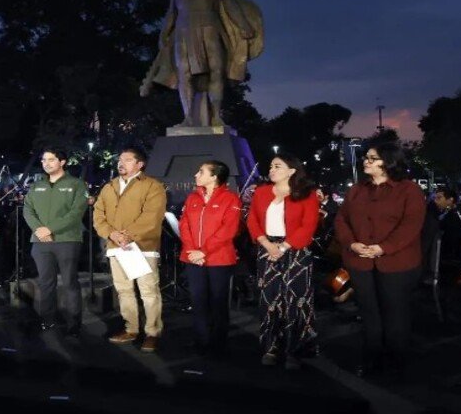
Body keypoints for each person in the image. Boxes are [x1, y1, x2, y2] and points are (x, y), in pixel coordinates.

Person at [333, 143, 425, 377]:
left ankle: (397, 362)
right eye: (366, 158)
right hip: (360, 262)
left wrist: (383, 248)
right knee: (369, 313)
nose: (366, 161)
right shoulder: (356, 190)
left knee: (395, 313)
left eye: (373, 158)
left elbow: (411, 225)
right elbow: (341, 220)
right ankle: (372, 359)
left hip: (397, 263)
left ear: (389, 162)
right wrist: (352, 243)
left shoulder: (409, 190)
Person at [246, 153, 319, 369]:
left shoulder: (307, 194)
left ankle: (295, 350)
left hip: (296, 250)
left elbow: (308, 226)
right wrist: (267, 244)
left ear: (292, 170)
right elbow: (252, 220)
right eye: (271, 166)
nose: (272, 169)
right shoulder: (260, 193)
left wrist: (285, 246)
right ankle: (271, 347)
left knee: (296, 300)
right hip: (267, 249)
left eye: (277, 166)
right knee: (269, 299)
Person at [146, 0, 260, 127]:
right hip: (184, 28)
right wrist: (164, 32)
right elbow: (172, 12)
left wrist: (243, 24)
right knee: (184, 74)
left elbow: (230, 4)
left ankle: (216, 116)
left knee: (216, 70)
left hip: (210, 25)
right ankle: (187, 118)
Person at [93, 147, 167, 352]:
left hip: (142, 247)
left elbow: (152, 217)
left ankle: (152, 332)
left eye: (126, 159)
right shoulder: (109, 187)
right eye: (120, 159)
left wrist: (128, 235)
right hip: (117, 247)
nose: (121, 163)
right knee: (124, 291)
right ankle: (131, 329)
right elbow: (98, 215)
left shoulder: (153, 186)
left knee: (148, 292)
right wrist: (112, 234)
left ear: (139, 164)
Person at [22, 148, 89, 335]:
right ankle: (47, 320)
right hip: (40, 242)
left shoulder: (76, 184)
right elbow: (27, 210)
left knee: (69, 282)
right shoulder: (36, 186)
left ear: (62, 162)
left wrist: (50, 229)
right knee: (45, 283)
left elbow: (76, 213)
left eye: (51, 160)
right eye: (44, 160)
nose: (46, 163)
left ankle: (74, 323)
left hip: (67, 240)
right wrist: (39, 230)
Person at [179, 160, 241, 356]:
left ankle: (217, 343)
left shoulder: (231, 199)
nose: (196, 175)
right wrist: (191, 250)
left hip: (219, 259)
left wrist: (203, 251)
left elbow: (228, 230)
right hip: (193, 258)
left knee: (218, 302)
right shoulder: (192, 198)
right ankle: (201, 339)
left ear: (214, 176)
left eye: (201, 172)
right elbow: (184, 224)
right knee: (198, 300)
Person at [433, 187, 461, 283]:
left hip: (454, 258)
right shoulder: (446, 213)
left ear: (450, 200)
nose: (436, 201)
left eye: (439, 198)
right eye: (435, 198)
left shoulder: (457, 214)